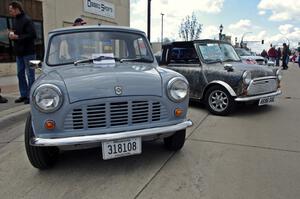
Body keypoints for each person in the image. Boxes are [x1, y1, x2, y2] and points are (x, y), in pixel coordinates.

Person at [8, 1, 36, 104]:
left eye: (11, 10)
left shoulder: (28, 20)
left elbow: (33, 35)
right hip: (19, 54)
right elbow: (15, 34)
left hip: (30, 53)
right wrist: (11, 35)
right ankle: (24, 95)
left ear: (16, 9)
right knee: (20, 74)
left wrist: (18, 37)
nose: (10, 12)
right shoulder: (15, 20)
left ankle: (31, 96)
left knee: (31, 75)